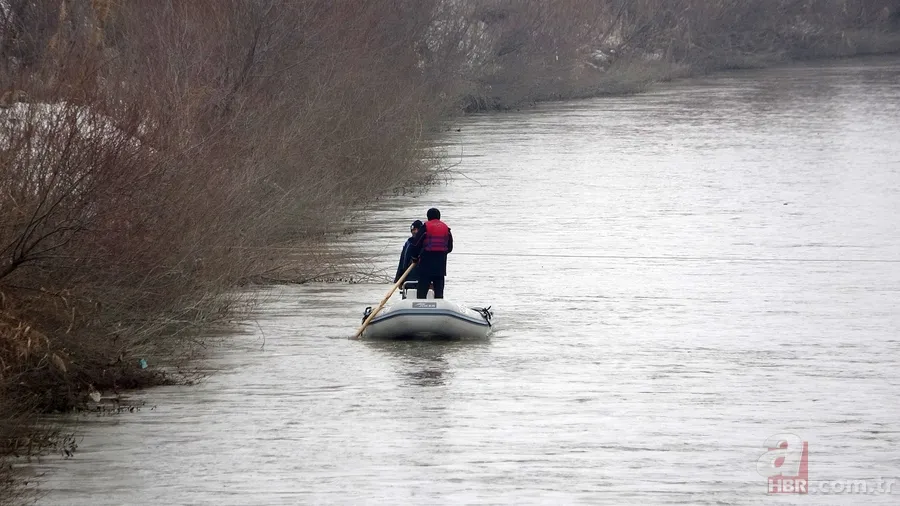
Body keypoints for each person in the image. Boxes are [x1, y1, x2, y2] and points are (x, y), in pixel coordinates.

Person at [410, 207, 453, 299]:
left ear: (428, 217)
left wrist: (414, 258)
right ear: (439, 217)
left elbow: (416, 245)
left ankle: (420, 309)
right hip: (440, 266)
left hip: (426, 265)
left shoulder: (425, 227)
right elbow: (449, 248)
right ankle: (439, 309)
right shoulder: (446, 229)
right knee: (439, 294)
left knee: (421, 294)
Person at [394, 220, 423, 296]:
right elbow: (402, 262)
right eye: (413, 230)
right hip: (409, 277)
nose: (415, 232)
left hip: (422, 278)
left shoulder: (426, 243)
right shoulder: (408, 243)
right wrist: (398, 279)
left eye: (417, 230)